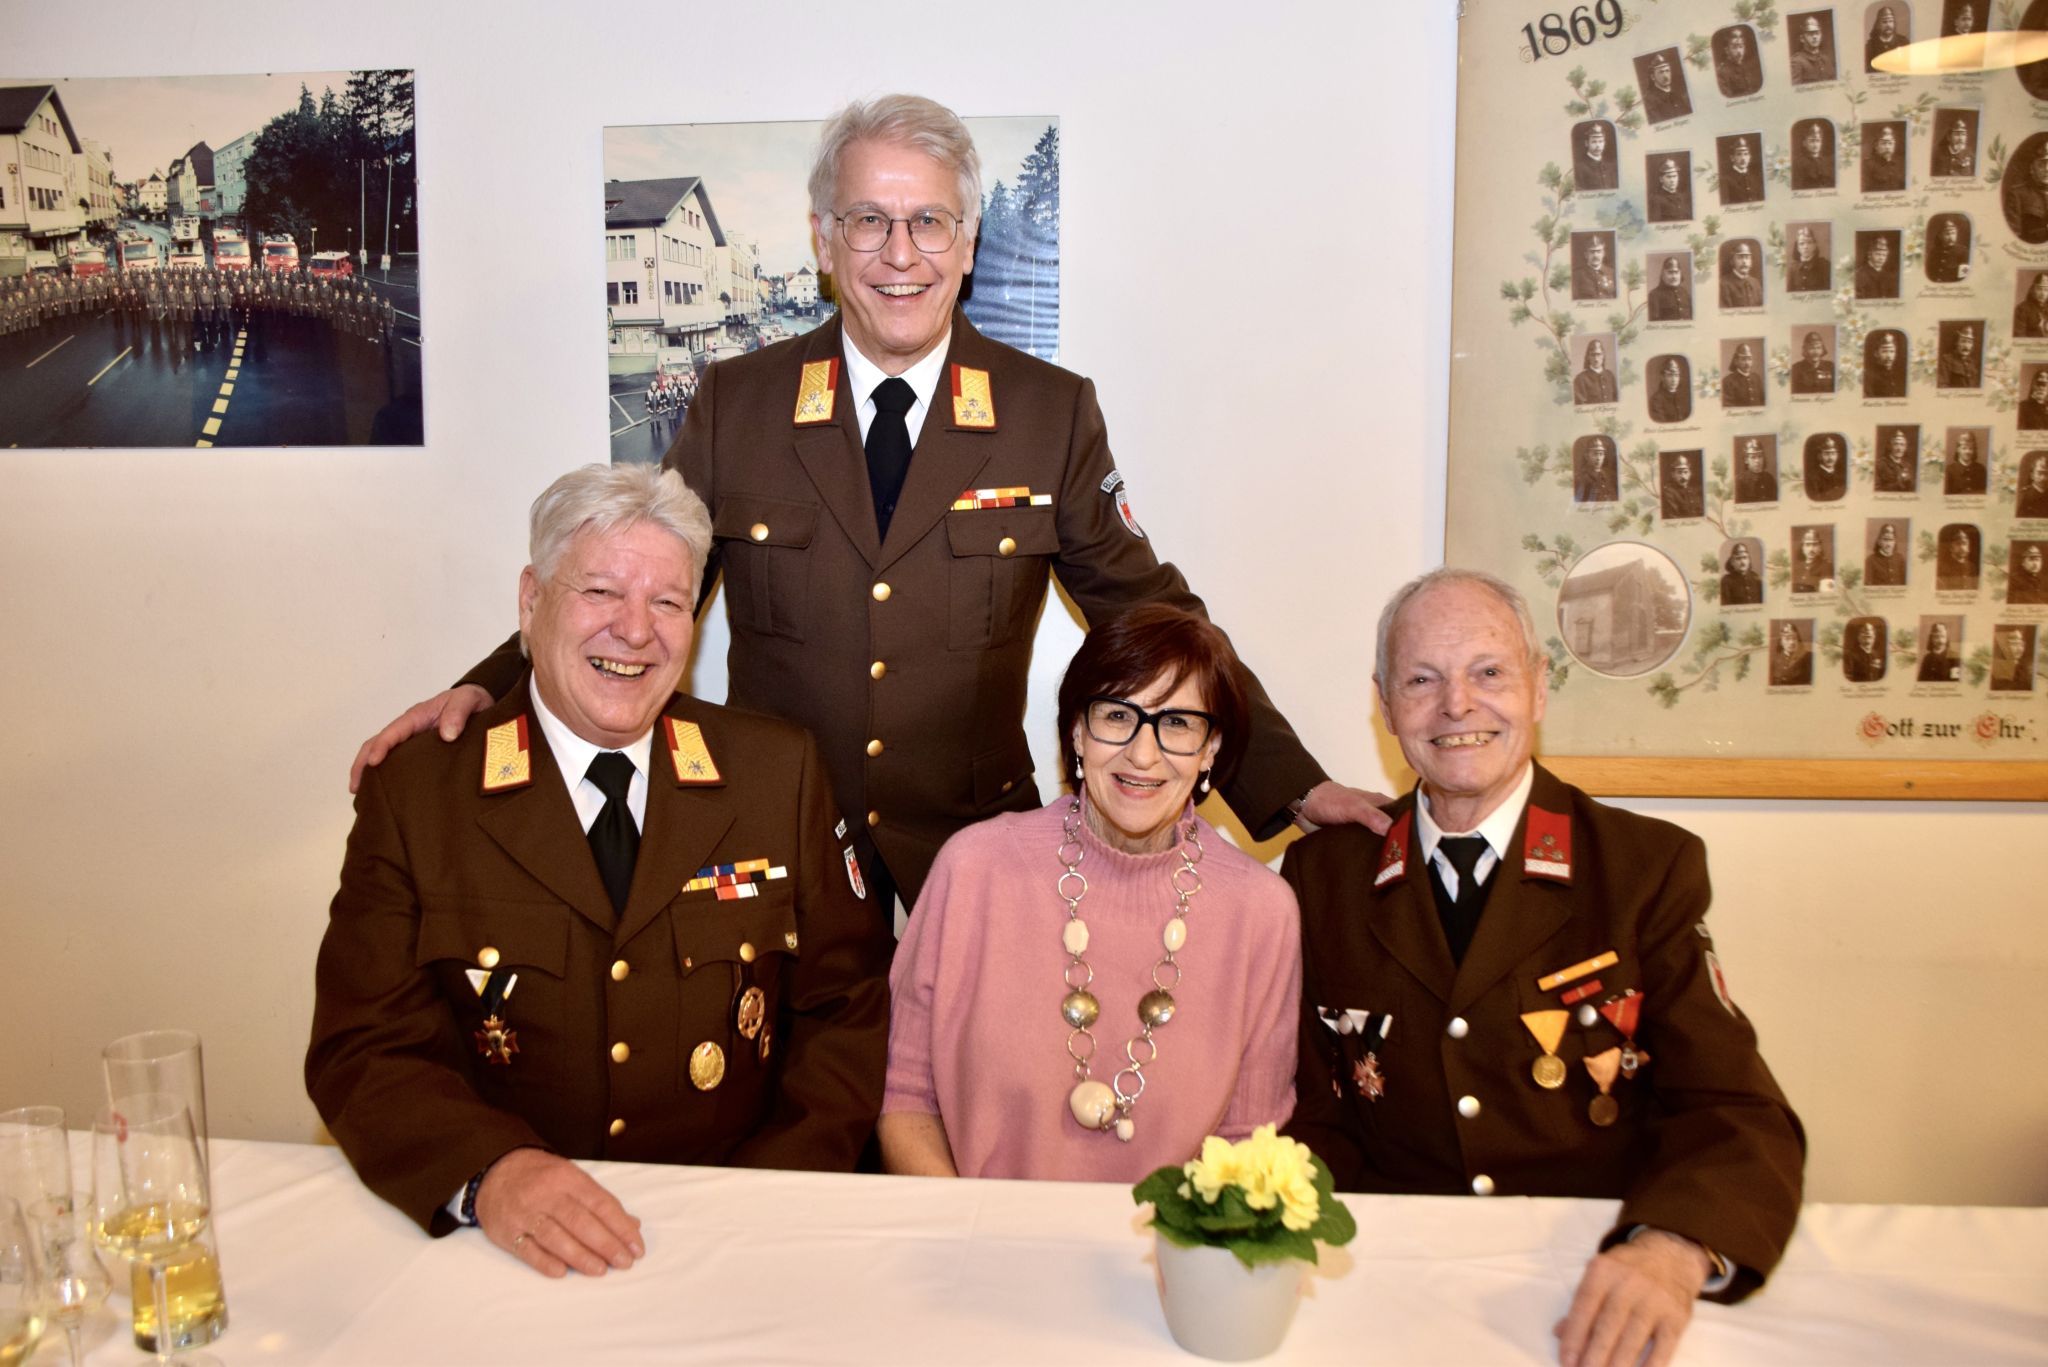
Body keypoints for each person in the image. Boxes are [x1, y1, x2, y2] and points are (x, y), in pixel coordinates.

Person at [348, 95, 1387, 917]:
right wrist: (479, 695)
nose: (901, 253)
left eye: (928, 221)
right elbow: (630, 590)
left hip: (974, 854)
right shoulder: (737, 402)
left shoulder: (1047, 413)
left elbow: (1153, 616)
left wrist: (1291, 786)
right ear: (822, 238)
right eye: (869, 221)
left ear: (969, 239)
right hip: (769, 839)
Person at [305, 463, 892, 1272]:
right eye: (601, 593)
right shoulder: (419, 793)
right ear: (530, 601)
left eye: (667, 602)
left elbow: (845, 1012)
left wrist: (770, 1195)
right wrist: (489, 1173)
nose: (636, 630)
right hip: (506, 1253)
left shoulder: (773, 773)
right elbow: (362, 1045)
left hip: (740, 1238)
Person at [1284, 570, 1804, 1367]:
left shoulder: (1641, 866)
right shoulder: (1322, 876)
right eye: (1422, 679)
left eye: (1489, 671)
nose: (1457, 704)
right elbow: (1311, 1115)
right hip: (1386, 1286)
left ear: (1539, 686)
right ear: (1385, 706)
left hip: (1585, 1280)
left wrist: (1670, 1246)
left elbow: (1735, 1108)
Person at [880, 605, 1297, 1181]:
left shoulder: (1261, 913)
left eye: (1178, 723)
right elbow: (906, 1101)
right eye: (1117, 715)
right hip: (980, 1249)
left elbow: (1250, 1146)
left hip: (1166, 1265)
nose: (1143, 754)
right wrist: (968, 1240)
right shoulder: (973, 870)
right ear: (1077, 729)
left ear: (1211, 749)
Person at [2004, 142, 2048, 244]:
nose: (2047, 169)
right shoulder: (2017, 195)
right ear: (2032, 169)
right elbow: (2012, 238)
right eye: (2041, 164)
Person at [1640, 50, 1692, 123]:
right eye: (1661, 72)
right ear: (1652, 77)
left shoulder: (1677, 97)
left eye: (1667, 71)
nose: (1665, 76)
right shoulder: (1649, 102)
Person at [1715, 26, 1764, 97]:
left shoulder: (1744, 68)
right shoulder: (1722, 72)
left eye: (1741, 46)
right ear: (1727, 50)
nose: (1739, 52)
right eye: (1734, 47)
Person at [1789, 13, 1836, 84]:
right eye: (1810, 33)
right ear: (1802, 38)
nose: (1814, 37)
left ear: (1821, 36)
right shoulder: (1796, 62)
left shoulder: (1826, 59)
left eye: (1817, 33)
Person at [1574, 121, 1619, 191]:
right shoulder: (1579, 169)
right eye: (1594, 142)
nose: (1598, 145)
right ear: (1586, 143)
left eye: (1601, 141)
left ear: (1604, 143)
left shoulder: (1611, 166)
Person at [1719, 137, 1764, 206]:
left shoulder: (1756, 178)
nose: (1743, 158)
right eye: (1739, 154)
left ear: (1750, 157)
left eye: (1746, 154)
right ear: (1732, 158)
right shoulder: (1725, 180)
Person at [1862, 124, 1907, 193]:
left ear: (1894, 146)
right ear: (1876, 146)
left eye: (1890, 143)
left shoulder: (1899, 166)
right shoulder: (1867, 165)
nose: (1887, 147)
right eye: (1883, 143)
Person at [1647, 155, 1692, 222]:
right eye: (1668, 177)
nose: (1672, 180)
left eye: (1674, 176)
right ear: (1661, 179)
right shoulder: (1655, 200)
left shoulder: (1683, 197)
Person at [1926, 215, 1970, 283]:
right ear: (1940, 235)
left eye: (1953, 233)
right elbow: (1930, 272)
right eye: (1947, 234)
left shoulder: (1963, 252)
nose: (1951, 237)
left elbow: (1963, 277)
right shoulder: (1934, 252)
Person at [1576, 437, 1620, 502]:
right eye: (1595, 454)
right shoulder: (1580, 478)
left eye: (1601, 454)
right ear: (1587, 456)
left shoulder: (1609, 477)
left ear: (1604, 456)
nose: (1598, 458)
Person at [1991, 626, 2036, 691]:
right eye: (2014, 644)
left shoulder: (2025, 669)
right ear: (2005, 647)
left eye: (2021, 644)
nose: (2019, 649)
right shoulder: (1997, 670)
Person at [1805, 435, 1849, 501]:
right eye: (1826, 454)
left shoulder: (1842, 475)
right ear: (1819, 456)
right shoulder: (1813, 477)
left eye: (1833, 453)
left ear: (1838, 455)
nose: (1830, 458)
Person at [1573, 235, 1616, 301]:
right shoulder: (1576, 275)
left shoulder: (1613, 273)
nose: (1595, 255)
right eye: (1592, 252)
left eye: (1599, 251)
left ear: (1603, 254)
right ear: (1586, 255)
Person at [1720, 241, 1763, 308]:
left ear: (1751, 262)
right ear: (1732, 261)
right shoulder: (1723, 284)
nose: (1744, 262)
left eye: (1747, 257)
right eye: (1740, 257)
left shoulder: (1756, 283)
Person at [1855, 234, 1899, 299]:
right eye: (1878, 254)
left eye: (1884, 255)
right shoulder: (1859, 275)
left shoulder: (1889, 276)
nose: (1881, 258)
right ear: (1869, 254)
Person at [1786, 226, 1829, 292]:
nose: (1805, 247)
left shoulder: (1824, 265)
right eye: (1801, 243)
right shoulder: (1792, 268)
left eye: (1809, 242)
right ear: (1797, 248)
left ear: (1815, 245)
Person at [1575, 339, 1618, 406]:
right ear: (1588, 357)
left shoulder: (1610, 375)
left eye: (1598, 354)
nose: (1596, 359)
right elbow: (1580, 407)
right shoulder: (1580, 379)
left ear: (1603, 355)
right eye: (1593, 355)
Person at [1647, 257, 1691, 321]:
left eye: (1676, 272)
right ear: (1663, 274)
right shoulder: (1654, 295)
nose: (1674, 276)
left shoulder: (1684, 292)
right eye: (1670, 272)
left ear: (1680, 273)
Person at [1865, 332, 1908, 399]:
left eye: (1892, 351)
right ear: (1876, 353)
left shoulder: (1900, 375)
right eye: (1884, 351)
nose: (1889, 356)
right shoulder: (1869, 376)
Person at [1937, 525, 1980, 590]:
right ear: (1951, 547)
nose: (1962, 548)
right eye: (1958, 544)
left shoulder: (1972, 567)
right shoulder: (1942, 567)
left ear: (1968, 547)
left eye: (1964, 544)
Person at [1661, 452, 1704, 518]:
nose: (1683, 476)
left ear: (1690, 474)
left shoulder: (1693, 491)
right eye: (1679, 472)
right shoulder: (1669, 492)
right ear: (1673, 475)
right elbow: (1673, 517)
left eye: (1685, 472)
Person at [1648, 357, 1691, 423]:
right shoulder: (1656, 400)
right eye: (1670, 375)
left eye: (1676, 375)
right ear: (1662, 377)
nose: (1674, 380)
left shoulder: (1683, 397)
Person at [1938, 325, 1981, 390]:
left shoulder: (1973, 363)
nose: (1966, 346)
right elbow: (1942, 386)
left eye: (1970, 342)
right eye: (1963, 341)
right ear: (1956, 343)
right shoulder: (1946, 360)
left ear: (1972, 345)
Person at [1791, 527, 1833, 593]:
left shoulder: (1827, 567)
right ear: (1803, 548)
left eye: (1815, 545)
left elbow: (1826, 595)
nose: (1811, 549)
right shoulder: (1796, 567)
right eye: (1807, 545)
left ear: (1820, 548)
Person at [1723, 343, 1764, 408]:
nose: (1747, 363)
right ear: (1736, 361)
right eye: (1743, 359)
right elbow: (1728, 408)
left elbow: (1763, 402)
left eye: (1749, 359)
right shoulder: (1728, 381)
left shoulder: (1756, 378)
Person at [1867, 522, 1907, 587]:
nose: (1888, 544)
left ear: (1895, 542)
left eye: (1891, 540)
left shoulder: (1900, 559)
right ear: (1879, 542)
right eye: (1885, 540)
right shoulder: (1870, 560)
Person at [1866, 5, 1907, 69]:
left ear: (1894, 23)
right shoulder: (1870, 46)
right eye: (1884, 22)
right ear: (1878, 24)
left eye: (1891, 21)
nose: (1888, 25)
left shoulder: (1904, 42)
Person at [2015, 273, 2048, 339]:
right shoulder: (2022, 309)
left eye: (2046, 290)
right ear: (2033, 289)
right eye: (2039, 289)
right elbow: (2019, 337)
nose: (2042, 293)